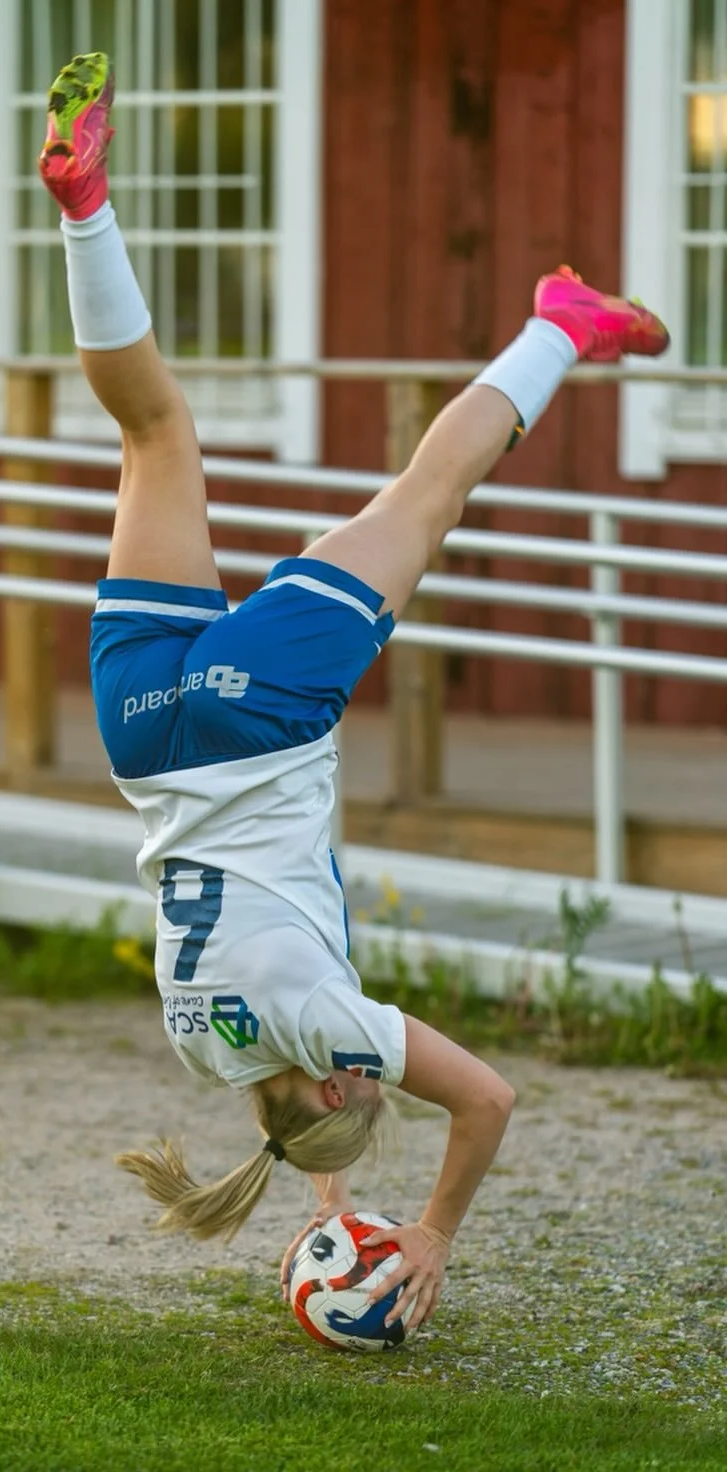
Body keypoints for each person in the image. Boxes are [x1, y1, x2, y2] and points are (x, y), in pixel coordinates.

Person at [36, 52, 669, 1331]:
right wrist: (321, 1182)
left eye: (362, 1093)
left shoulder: (319, 1023)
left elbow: (487, 1097)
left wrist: (429, 1229)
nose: (371, 1076)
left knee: (424, 499)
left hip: (246, 717)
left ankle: (561, 322)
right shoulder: (212, 1043)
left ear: (330, 1086)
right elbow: (283, 1075)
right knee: (155, 432)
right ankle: (84, 207)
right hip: (143, 736)